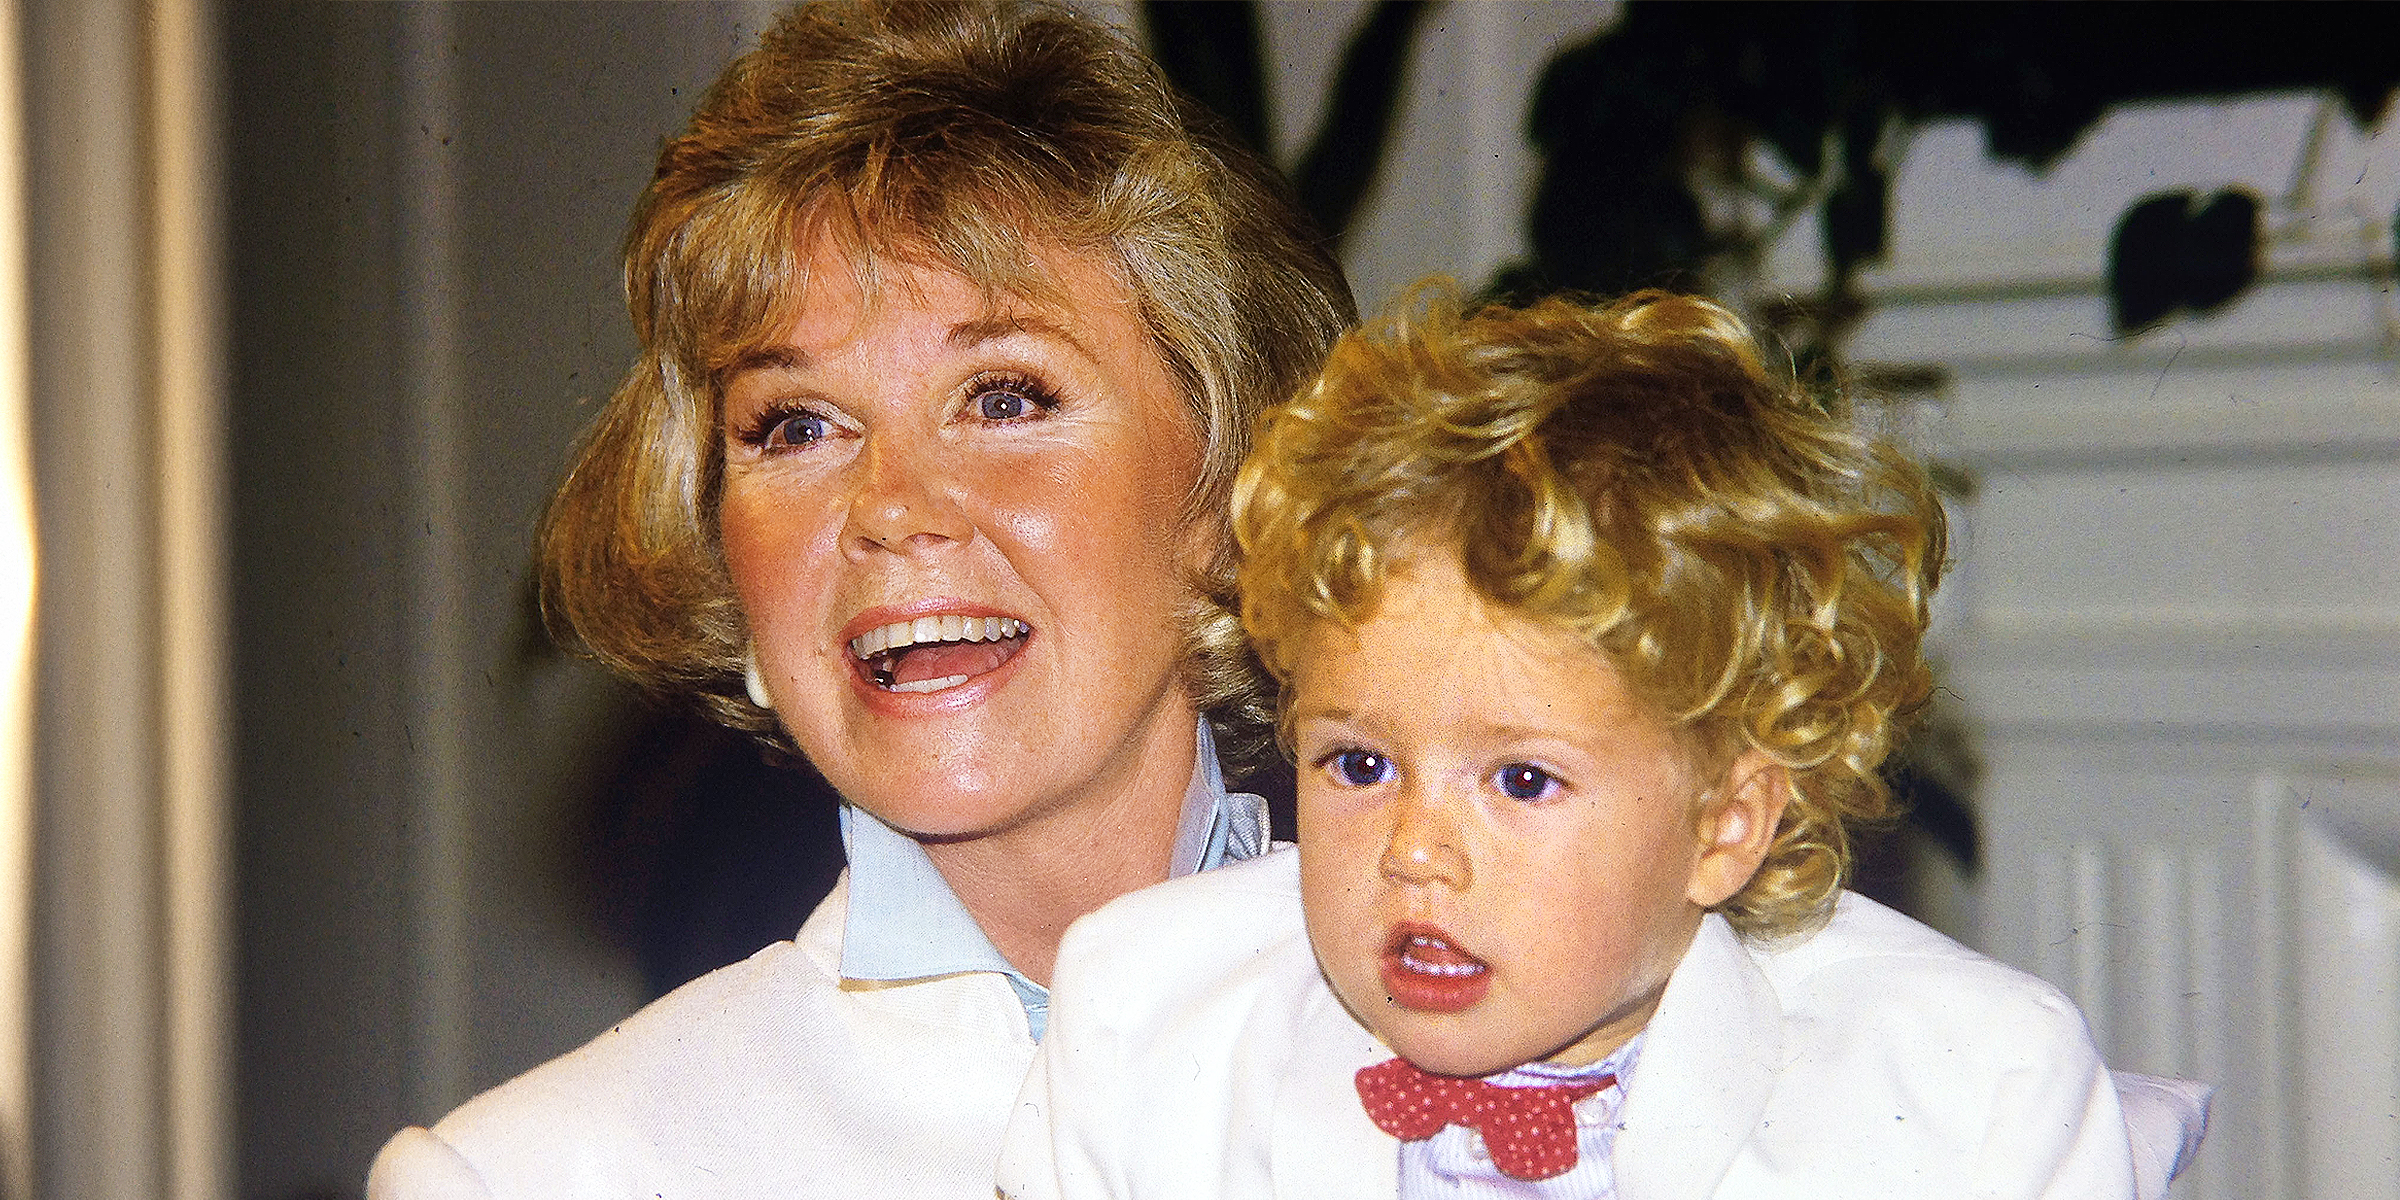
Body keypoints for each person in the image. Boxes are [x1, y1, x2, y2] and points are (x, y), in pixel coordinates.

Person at [366, 3, 1351, 1196]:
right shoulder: (533, 1176)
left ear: (1224, 496)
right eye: (798, 425)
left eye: (1004, 398)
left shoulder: (1535, 1061)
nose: (890, 505)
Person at [998, 288, 2198, 1198]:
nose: (1416, 852)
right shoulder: (1147, 1015)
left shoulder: (1960, 1095)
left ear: (1725, 823)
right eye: (1358, 764)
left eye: (1522, 779)